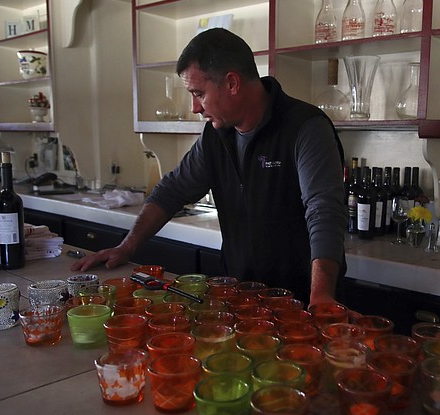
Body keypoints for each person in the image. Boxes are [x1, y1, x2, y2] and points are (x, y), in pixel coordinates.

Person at [71, 28, 347, 305]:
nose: (194, 107)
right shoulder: (216, 135)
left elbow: (324, 210)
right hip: (239, 295)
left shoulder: (305, 127)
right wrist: (126, 247)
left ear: (232, 83)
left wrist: (321, 294)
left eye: (198, 93)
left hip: (299, 300)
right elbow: (173, 190)